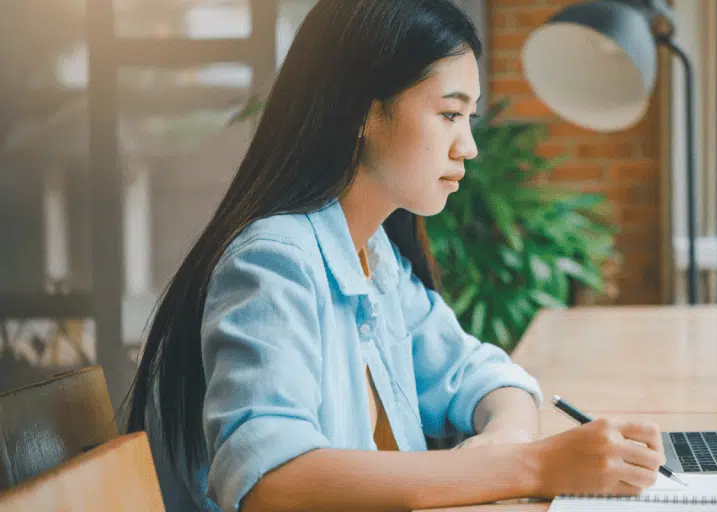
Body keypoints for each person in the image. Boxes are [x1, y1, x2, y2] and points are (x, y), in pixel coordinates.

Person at [122, 0, 667, 510]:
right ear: (363, 113)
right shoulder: (272, 265)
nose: (468, 147)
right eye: (450, 114)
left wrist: (507, 444)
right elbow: (271, 482)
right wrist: (529, 466)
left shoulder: (373, 259)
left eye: (469, 118)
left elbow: (484, 374)